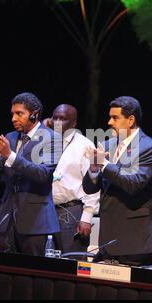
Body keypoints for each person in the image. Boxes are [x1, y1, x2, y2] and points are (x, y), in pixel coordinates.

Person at [82, 96, 152, 266]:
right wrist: (94, 168)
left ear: (131, 120)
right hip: (108, 240)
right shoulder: (108, 145)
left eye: (115, 118)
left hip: (134, 241)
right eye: (110, 117)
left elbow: (133, 183)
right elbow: (89, 188)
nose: (109, 122)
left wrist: (104, 164)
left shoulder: (149, 148)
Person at [0, 92, 60, 256]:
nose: (14, 118)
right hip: (7, 220)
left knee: (34, 275)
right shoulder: (10, 138)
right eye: (12, 113)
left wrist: (9, 155)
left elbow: (42, 174)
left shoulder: (52, 139)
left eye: (20, 113)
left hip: (35, 223)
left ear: (34, 115)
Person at [45, 104, 100, 256]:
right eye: (54, 118)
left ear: (74, 123)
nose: (57, 122)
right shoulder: (46, 142)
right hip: (47, 209)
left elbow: (93, 183)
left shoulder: (84, 145)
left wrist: (87, 217)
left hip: (71, 210)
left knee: (71, 261)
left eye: (62, 119)